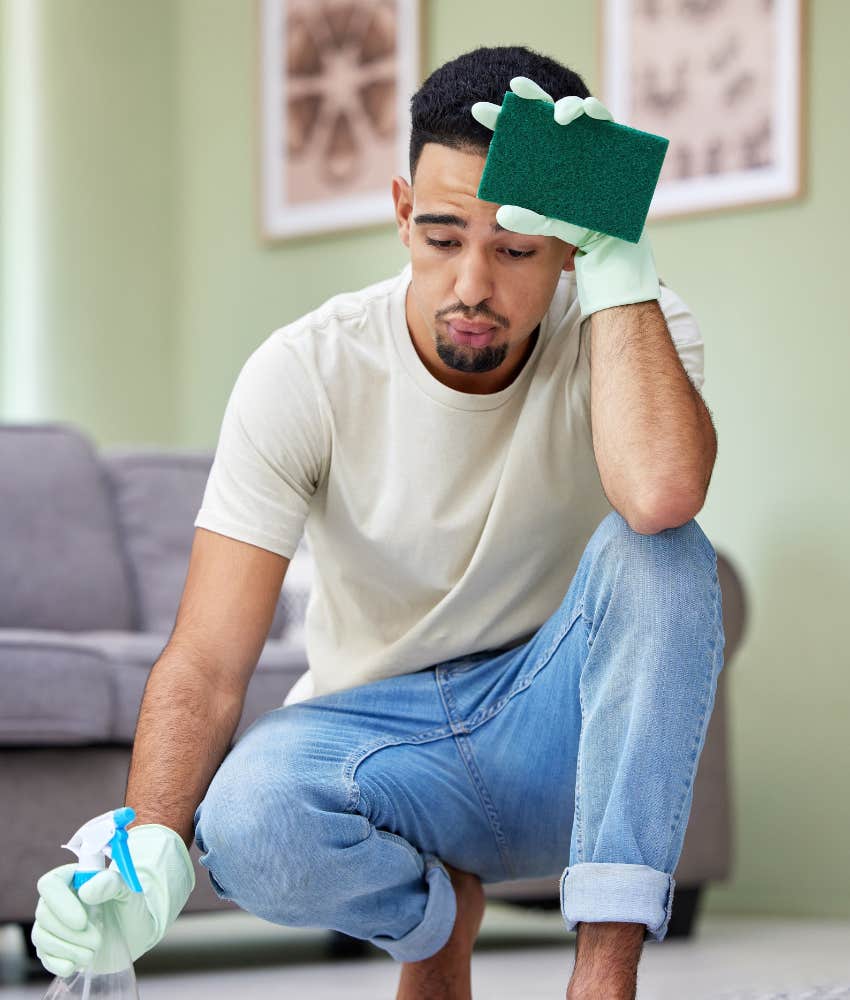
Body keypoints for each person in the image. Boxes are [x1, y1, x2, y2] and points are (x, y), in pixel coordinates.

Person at [31, 45, 724, 1000]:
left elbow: (659, 497)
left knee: (669, 556)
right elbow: (207, 658)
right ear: (402, 214)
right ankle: (434, 930)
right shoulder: (305, 370)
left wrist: (617, 257)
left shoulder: (630, 318)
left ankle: (602, 980)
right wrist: (146, 840)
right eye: (442, 237)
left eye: (517, 247)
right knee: (246, 818)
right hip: (384, 747)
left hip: (558, 732)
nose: (473, 283)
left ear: (568, 247)